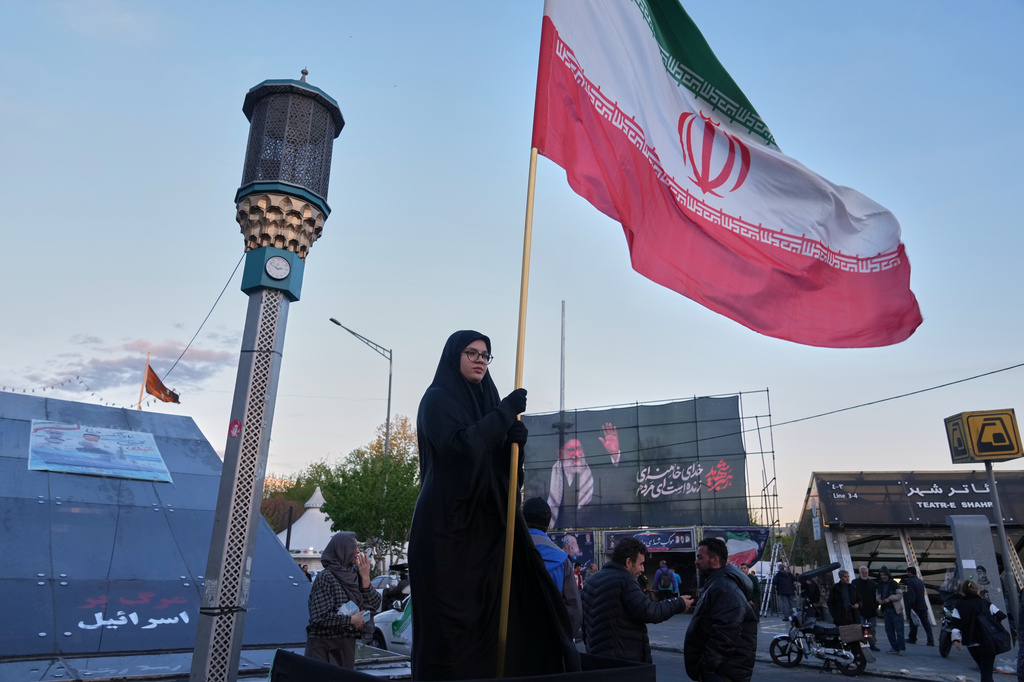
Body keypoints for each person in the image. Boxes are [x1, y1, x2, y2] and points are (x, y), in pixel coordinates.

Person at [408, 331, 579, 679]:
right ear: (454, 357)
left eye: (486, 355)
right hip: (447, 535)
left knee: (512, 616)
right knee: (451, 638)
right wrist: (504, 414)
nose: (480, 360)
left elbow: (506, 480)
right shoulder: (437, 400)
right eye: (471, 353)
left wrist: (514, 447)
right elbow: (461, 448)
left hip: (488, 534)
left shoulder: (489, 406)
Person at [581, 537, 691, 663]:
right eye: (641, 564)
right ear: (628, 562)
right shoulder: (624, 580)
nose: (643, 569)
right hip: (622, 662)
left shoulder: (591, 582)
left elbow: (584, 623)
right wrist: (679, 603)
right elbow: (649, 611)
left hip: (595, 659)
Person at [684, 537, 758, 682]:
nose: (696, 561)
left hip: (722, 673)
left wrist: (707, 666)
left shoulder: (723, 588)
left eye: (700, 557)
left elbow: (725, 635)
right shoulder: (717, 583)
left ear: (715, 560)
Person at [304, 531, 382, 669]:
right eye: (353, 547)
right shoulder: (326, 577)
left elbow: (374, 604)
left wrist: (366, 579)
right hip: (323, 650)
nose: (358, 551)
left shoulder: (355, 574)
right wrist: (351, 620)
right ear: (342, 550)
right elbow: (319, 617)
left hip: (345, 649)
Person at [523, 496, 583, 638]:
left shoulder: (506, 553)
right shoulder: (563, 561)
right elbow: (574, 610)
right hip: (550, 640)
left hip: (511, 643)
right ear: (548, 524)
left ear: (523, 520)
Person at [546, 424, 620, 528]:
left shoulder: (595, 471)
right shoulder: (548, 474)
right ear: (560, 454)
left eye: (579, 448)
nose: (577, 454)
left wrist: (615, 454)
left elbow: (619, 479)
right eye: (571, 450)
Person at [951, 578, 1008, 682]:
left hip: (971, 642)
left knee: (983, 669)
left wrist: (956, 640)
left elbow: (955, 625)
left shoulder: (958, 605)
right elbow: (1001, 615)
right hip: (987, 641)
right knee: (987, 671)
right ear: (977, 591)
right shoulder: (984, 603)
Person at [876, 566, 905, 655]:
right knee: (889, 630)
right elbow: (877, 594)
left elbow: (900, 595)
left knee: (899, 630)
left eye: (884, 575)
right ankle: (894, 647)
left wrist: (889, 599)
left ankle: (901, 648)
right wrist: (879, 599)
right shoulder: (880, 584)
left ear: (888, 575)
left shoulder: (894, 584)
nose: (883, 577)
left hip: (895, 610)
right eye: (881, 575)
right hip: (886, 610)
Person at [852, 565, 880, 651]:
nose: (865, 574)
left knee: (872, 629)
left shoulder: (872, 584)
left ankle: (872, 644)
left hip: (871, 609)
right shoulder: (855, 583)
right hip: (860, 610)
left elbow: (876, 596)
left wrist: (875, 606)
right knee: (861, 628)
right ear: (860, 573)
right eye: (863, 573)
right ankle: (862, 644)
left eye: (866, 573)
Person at [904, 566, 934, 646]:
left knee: (913, 622)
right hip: (923, 605)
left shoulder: (910, 581)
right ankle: (930, 640)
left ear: (910, 573)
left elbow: (912, 595)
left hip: (915, 606)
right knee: (926, 623)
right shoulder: (920, 581)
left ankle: (912, 638)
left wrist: (910, 605)